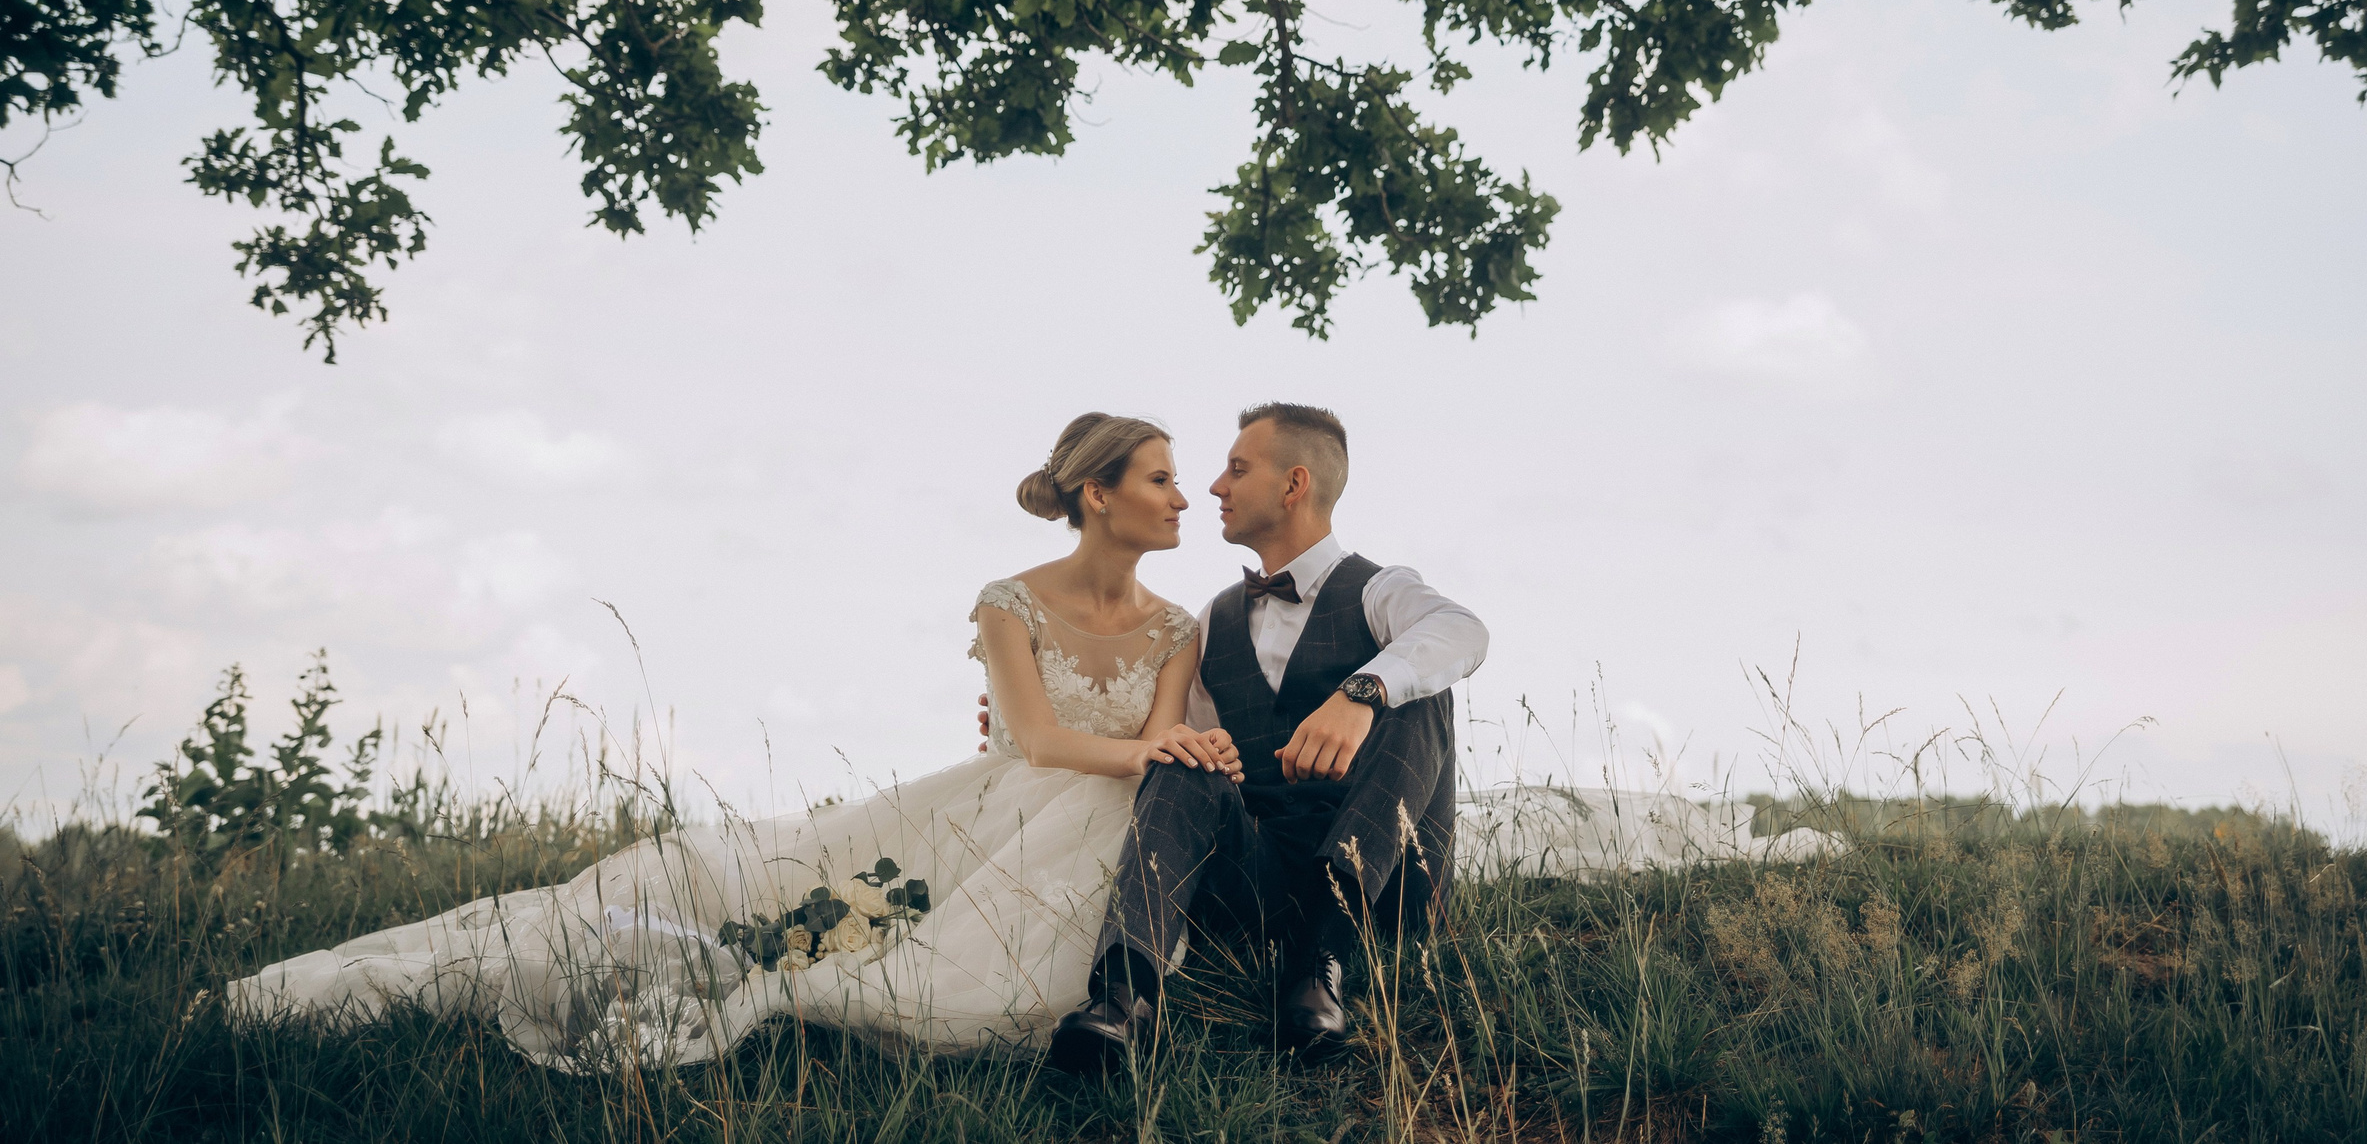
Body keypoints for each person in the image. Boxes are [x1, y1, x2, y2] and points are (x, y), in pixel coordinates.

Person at [227, 413, 1241, 1068]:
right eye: (1160, 478)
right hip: (1004, 796)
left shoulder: (1173, 623)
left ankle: (1106, 996)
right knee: (817, 917)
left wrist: (1177, 748)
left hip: (1107, 805)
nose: (1182, 496)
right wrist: (1166, 753)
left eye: (1181, 480)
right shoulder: (1008, 600)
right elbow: (1037, 736)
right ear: (1098, 493)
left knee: (1116, 809)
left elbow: (1157, 739)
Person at [1049, 402, 1489, 1071]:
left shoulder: (1381, 588)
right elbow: (1177, 759)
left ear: (1294, 484)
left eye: (1236, 468)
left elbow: (1463, 631)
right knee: (1182, 754)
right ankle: (1124, 998)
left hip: (1387, 889)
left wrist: (1360, 693)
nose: (1216, 488)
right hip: (1266, 881)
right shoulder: (1215, 619)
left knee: (1422, 693)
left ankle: (1323, 966)